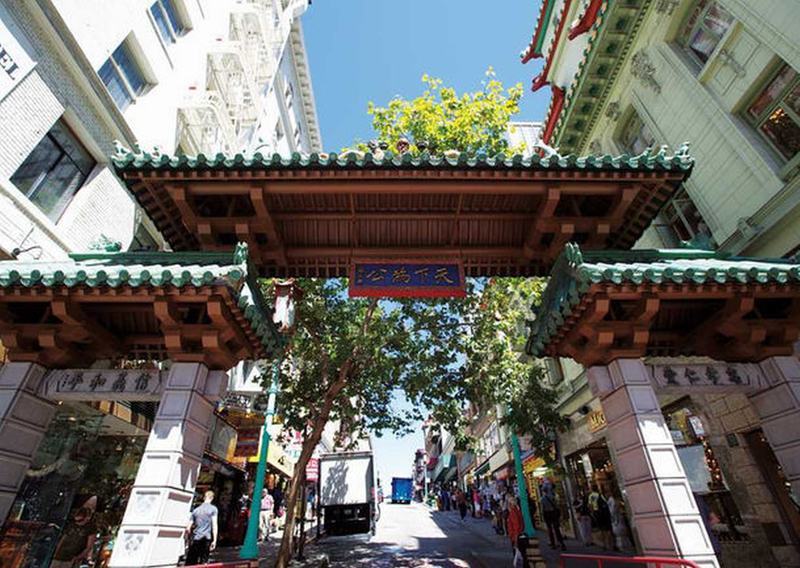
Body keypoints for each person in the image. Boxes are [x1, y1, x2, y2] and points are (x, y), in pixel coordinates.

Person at [51, 495, 98, 568]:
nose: (77, 523)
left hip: (71, 558)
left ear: (86, 519)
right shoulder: (72, 525)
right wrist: (56, 552)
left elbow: (89, 546)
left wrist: (78, 558)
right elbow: (64, 538)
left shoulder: (91, 528)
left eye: (80, 521)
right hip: (59, 556)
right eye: (76, 520)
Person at [186, 490, 218, 565]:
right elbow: (214, 525)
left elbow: (188, 528)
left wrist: (188, 540)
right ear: (212, 498)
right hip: (206, 538)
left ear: (204, 498)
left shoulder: (196, 510)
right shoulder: (213, 509)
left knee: (191, 561)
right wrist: (215, 540)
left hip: (196, 538)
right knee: (204, 562)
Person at [540, 479, 566, 551]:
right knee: (556, 528)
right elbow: (558, 505)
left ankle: (553, 544)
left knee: (550, 529)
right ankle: (561, 543)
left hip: (547, 514)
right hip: (554, 513)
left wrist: (543, 515)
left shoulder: (543, 499)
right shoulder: (555, 496)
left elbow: (543, 508)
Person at [589, 484, 613, 551]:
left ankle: (604, 545)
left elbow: (590, 506)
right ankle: (610, 544)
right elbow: (606, 503)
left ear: (591, 489)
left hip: (597, 513)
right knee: (608, 529)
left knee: (602, 529)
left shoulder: (591, 496)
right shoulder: (601, 495)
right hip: (604, 514)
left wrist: (592, 513)